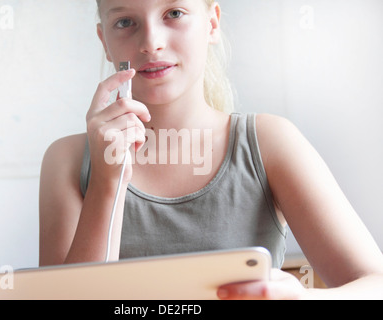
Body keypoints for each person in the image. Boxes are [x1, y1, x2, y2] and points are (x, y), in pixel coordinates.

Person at [39, 0, 383, 299]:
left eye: (174, 12)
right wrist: (107, 184)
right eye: (125, 22)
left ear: (212, 23)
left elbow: (375, 283)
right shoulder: (67, 161)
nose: (151, 43)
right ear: (105, 41)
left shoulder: (270, 142)